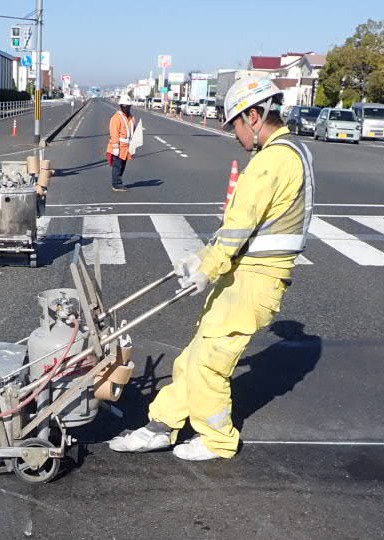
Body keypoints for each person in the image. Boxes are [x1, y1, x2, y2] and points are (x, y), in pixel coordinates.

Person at [109, 77, 315, 461]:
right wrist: (204, 260)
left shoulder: (274, 160)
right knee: (193, 357)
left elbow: (239, 225)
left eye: (235, 123)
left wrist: (209, 266)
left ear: (255, 116)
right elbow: (247, 227)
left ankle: (218, 438)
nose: (234, 134)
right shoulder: (286, 152)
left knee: (210, 364)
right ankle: (163, 424)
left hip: (254, 281)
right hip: (243, 276)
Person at [107, 95, 136, 192]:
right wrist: (115, 147)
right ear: (122, 106)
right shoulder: (116, 118)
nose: (128, 108)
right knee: (117, 166)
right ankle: (116, 184)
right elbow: (114, 133)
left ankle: (118, 181)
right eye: (126, 106)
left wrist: (133, 146)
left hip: (127, 147)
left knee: (123, 166)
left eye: (129, 106)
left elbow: (133, 132)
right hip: (118, 146)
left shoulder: (131, 118)